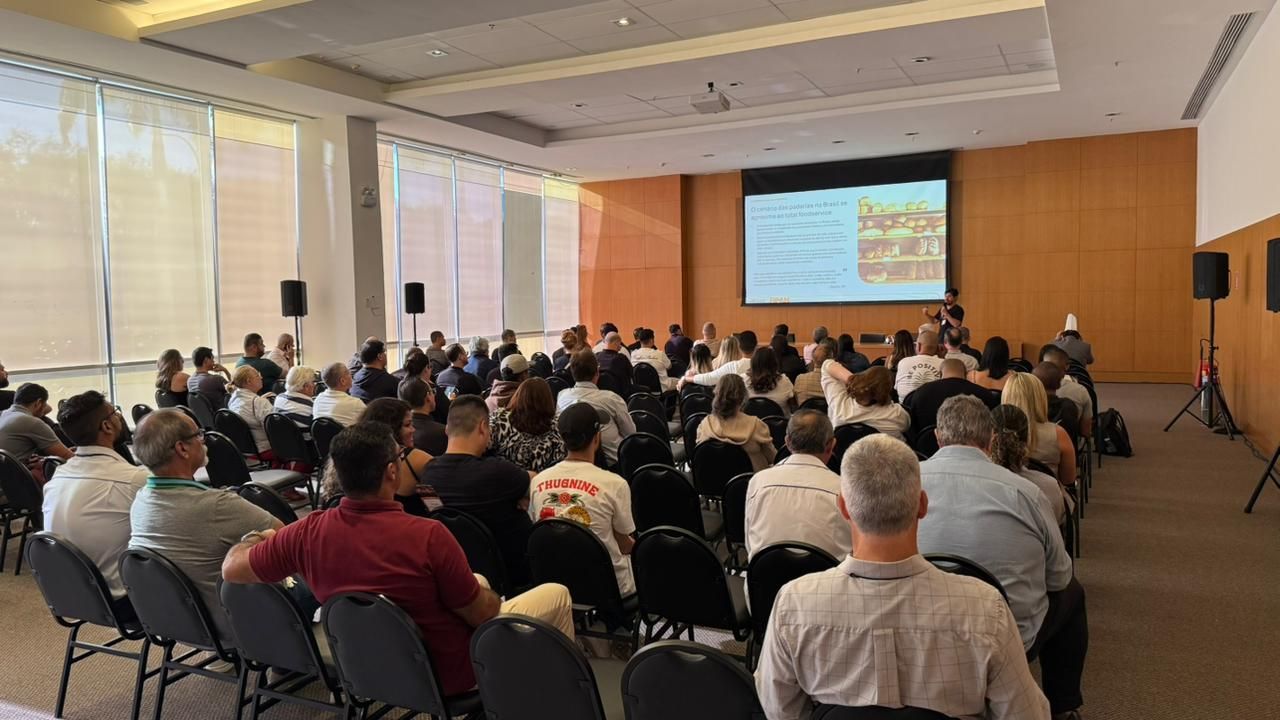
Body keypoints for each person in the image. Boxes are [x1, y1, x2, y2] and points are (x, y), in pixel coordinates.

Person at [221, 422, 575, 699]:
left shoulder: (306, 532)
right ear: (392, 471)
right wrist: (492, 599)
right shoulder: (428, 535)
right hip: (446, 675)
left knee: (474, 582)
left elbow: (232, 569)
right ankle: (549, 698)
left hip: (365, 667)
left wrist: (255, 539)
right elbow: (482, 614)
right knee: (556, 594)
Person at [757, 433, 1048, 720]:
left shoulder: (793, 606)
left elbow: (778, 710)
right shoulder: (986, 610)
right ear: (922, 505)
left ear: (844, 507)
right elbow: (1025, 715)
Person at [918, 396, 1085, 719]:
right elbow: (1059, 578)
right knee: (1073, 593)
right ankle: (1062, 707)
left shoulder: (906, 482)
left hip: (920, 630)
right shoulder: (1026, 493)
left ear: (937, 437)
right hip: (1010, 639)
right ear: (991, 438)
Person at [129, 409, 282, 642]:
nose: (204, 440)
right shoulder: (217, 505)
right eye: (198, 435)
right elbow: (285, 536)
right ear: (182, 448)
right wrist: (254, 539)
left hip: (176, 621)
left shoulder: (140, 499)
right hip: (233, 625)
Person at [43, 391, 149, 619]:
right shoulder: (133, 480)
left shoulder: (57, 476)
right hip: (123, 602)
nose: (119, 417)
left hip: (69, 597)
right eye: (115, 413)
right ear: (106, 426)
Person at [421, 396, 535, 588]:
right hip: (509, 576)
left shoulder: (427, 475)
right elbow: (536, 480)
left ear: (447, 429)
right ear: (483, 427)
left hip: (454, 573)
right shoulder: (498, 472)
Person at [529, 402, 635, 595]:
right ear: (597, 438)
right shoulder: (615, 484)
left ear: (563, 439)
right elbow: (624, 545)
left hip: (557, 585)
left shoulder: (537, 482)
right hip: (609, 588)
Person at [744, 410, 850, 561]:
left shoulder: (758, 481)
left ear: (787, 442)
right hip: (825, 575)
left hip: (766, 574)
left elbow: (751, 542)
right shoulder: (845, 491)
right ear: (831, 445)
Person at [991, 404, 1068, 524]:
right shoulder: (1049, 486)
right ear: (1027, 440)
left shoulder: (972, 485)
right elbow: (1056, 525)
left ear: (988, 438)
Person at [356, 398, 434, 516]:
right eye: (407, 425)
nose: (413, 429)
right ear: (391, 429)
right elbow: (436, 506)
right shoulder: (416, 459)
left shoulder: (355, 458)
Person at [556, 351, 634, 466]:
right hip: (612, 466)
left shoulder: (562, 396)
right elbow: (630, 433)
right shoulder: (612, 399)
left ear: (572, 373)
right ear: (597, 372)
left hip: (572, 463)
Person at [1002, 373, 1077, 488]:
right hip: (1048, 496)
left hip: (1005, 496)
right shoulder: (1059, 434)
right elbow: (1068, 480)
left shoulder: (993, 434)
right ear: (1041, 398)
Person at [696, 374, 776, 472]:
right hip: (752, 480)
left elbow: (700, 458)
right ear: (742, 397)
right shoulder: (756, 426)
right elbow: (773, 458)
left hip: (712, 481)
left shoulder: (705, 425)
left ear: (716, 394)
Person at [489, 378, 566, 473]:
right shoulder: (558, 427)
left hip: (503, 478)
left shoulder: (499, 420)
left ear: (518, 395)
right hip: (544, 480)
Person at [902, 358, 997, 431]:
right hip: (974, 446)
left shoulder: (920, 393)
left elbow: (911, 427)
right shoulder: (984, 394)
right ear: (965, 374)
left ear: (940, 374)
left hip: (926, 448)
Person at [822, 363, 910, 439]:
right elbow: (907, 427)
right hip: (885, 453)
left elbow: (827, 365)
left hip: (846, 453)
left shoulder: (841, 406)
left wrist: (853, 380)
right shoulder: (897, 414)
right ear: (889, 390)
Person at [0, 383, 72, 466]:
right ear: (38, 403)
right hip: (12, 473)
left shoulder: (3, 414)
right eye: (45, 403)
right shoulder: (32, 422)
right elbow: (67, 457)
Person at [1040, 345, 1093, 434]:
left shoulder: (1027, 388)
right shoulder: (1080, 390)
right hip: (1069, 439)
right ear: (1067, 367)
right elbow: (1085, 431)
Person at [226, 365, 275, 459]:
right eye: (257, 375)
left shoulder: (233, 399)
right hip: (265, 448)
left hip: (244, 449)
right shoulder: (258, 402)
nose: (261, 377)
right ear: (249, 381)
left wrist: (260, 399)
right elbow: (273, 429)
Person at [1032, 362, 1082, 449]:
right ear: (1059, 384)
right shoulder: (1069, 407)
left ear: (1033, 384)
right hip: (1064, 450)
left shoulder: (1027, 404)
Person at [682, 331, 756, 389]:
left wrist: (686, 378)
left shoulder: (731, 366)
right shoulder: (760, 365)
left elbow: (709, 378)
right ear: (756, 347)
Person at [399, 377, 447, 457]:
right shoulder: (443, 432)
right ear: (428, 397)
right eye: (433, 392)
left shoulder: (398, 431)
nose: (434, 395)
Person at [743, 347, 795, 417]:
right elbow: (793, 407)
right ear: (775, 363)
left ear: (753, 362)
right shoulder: (784, 381)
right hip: (779, 423)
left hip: (751, 423)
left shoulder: (742, 380)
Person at [313, 362, 367, 427]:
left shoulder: (318, 399)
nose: (352, 376)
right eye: (349, 373)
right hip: (347, 434)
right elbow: (370, 422)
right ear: (343, 381)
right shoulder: (355, 403)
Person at [894, 330, 944, 399]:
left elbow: (897, 388)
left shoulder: (903, 362)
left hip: (905, 405)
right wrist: (942, 357)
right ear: (938, 348)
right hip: (934, 405)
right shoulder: (944, 364)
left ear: (919, 346)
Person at [273, 365, 318, 429]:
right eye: (313, 382)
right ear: (306, 386)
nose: (314, 385)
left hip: (280, 434)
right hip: (303, 435)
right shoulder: (309, 406)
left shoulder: (279, 397)